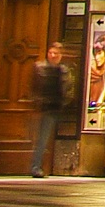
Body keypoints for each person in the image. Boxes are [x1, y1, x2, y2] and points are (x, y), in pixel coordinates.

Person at [28, 42, 76, 177]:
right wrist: (36, 102)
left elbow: (69, 88)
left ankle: (40, 166)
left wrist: (65, 102)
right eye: (51, 53)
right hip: (42, 107)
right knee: (40, 138)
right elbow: (34, 87)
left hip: (56, 107)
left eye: (56, 53)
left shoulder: (64, 70)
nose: (53, 56)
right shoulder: (39, 67)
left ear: (61, 55)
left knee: (45, 138)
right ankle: (35, 166)